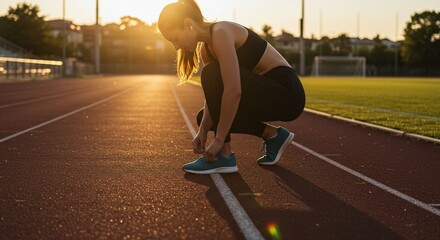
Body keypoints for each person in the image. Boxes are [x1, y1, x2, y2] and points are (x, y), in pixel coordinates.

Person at [158, 0, 305, 174]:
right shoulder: (206, 49)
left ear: (188, 24)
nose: (176, 46)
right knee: (204, 117)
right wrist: (203, 131)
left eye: (174, 39)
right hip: (265, 93)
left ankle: (225, 157)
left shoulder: (221, 32)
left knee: (211, 74)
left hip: (287, 93)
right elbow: (215, 95)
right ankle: (272, 135)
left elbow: (233, 90)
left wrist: (220, 141)